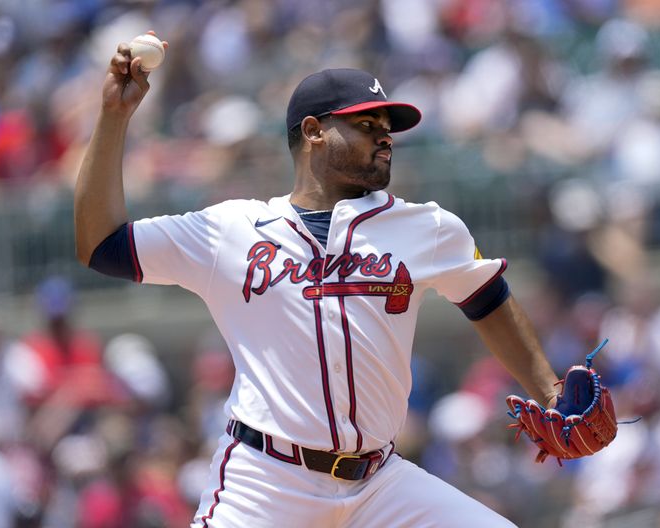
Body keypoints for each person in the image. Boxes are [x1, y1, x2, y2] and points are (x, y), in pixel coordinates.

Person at [75, 31, 559, 528]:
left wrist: (550, 392)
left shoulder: (428, 228)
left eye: (387, 127)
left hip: (380, 484)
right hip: (267, 482)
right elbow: (100, 245)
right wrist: (115, 116)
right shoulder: (232, 230)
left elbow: (487, 297)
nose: (384, 137)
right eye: (366, 124)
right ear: (313, 131)